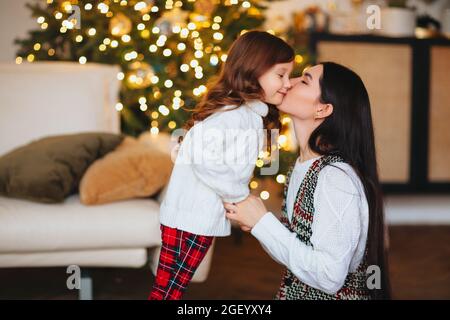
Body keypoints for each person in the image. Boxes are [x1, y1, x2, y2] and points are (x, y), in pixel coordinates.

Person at [225, 62, 391, 300]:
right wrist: (261, 227)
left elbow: (329, 276)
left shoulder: (335, 178)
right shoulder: (304, 164)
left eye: (303, 80)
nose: (287, 83)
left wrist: (263, 223)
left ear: (323, 110)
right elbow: (300, 250)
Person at [149, 31, 295, 300]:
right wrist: (238, 195)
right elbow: (201, 155)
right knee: (168, 290)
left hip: (196, 215)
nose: (287, 83)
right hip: (189, 216)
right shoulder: (233, 114)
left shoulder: (248, 113)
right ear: (254, 70)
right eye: (281, 75)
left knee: (170, 289)